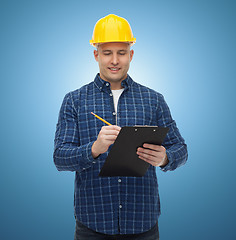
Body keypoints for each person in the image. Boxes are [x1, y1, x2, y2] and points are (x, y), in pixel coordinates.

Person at [53, 14, 188, 240]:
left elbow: (181, 149)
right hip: (92, 223)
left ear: (131, 55)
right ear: (96, 55)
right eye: (107, 53)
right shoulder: (74, 100)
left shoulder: (153, 100)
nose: (114, 60)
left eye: (121, 53)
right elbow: (60, 158)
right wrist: (94, 148)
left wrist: (165, 158)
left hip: (142, 222)